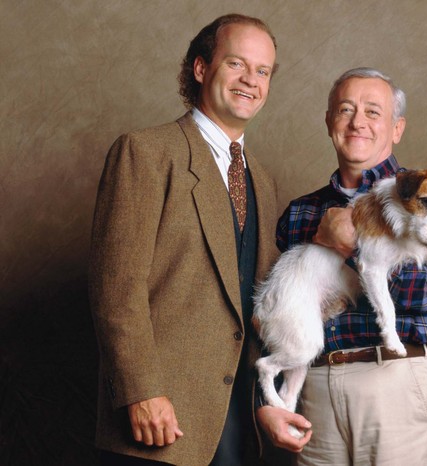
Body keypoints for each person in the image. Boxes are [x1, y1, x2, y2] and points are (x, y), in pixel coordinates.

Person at [89, 13, 310, 466]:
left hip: (234, 427)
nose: (251, 80)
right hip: (156, 421)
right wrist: (141, 390)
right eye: (236, 64)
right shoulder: (146, 153)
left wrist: (263, 403)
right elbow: (117, 289)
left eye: (263, 70)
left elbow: (255, 306)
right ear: (201, 68)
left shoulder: (262, 182)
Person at [273, 67, 427, 466]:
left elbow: (425, 295)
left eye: (373, 112)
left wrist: (349, 245)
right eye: (346, 109)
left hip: (395, 376)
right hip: (317, 382)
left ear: (397, 128)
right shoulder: (300, 213)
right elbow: (284, 306)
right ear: (329, 122)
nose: (358, 121)